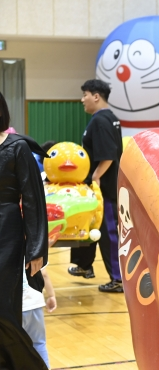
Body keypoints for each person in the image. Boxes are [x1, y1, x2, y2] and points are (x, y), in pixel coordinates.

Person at [0, 91, 49, 369]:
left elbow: (33, 199)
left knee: (4, 308)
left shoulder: (17, 147)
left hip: (6, 230)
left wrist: (36, 249)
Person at [68, 80, 124, 293]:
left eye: (85, 95)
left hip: (104, 189)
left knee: (108, 232)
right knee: (88, 225)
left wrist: (95, 177)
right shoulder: (109, 118)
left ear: (96, 96)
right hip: (102, 187)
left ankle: (118, 279)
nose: (82, 99)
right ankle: (84, 265)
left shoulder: (100, 121)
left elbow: (108, 155)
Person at [22, 265, 56, 369]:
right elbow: (44, 274)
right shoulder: (35, 253)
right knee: (39, 344)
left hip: (15, 305)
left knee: (11, 347)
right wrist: (51, 295)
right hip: (36, 301)